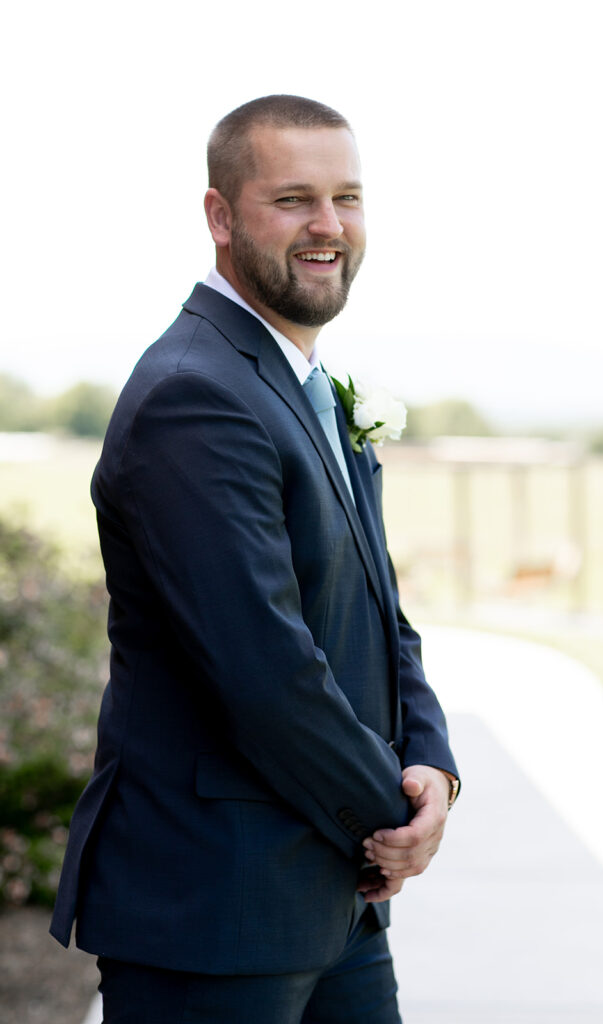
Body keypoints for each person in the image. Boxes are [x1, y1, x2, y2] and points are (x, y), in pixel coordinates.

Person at [50, 94, 459, 1024]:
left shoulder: (300, 385)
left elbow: (379, 609)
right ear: (220, 217)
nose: (328, 226)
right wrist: (389, 820)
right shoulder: (196, 395)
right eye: (293, 200)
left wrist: (433, 764)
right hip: (215, 907)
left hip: (334, 903)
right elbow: (261, 669)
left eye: (346, 198)